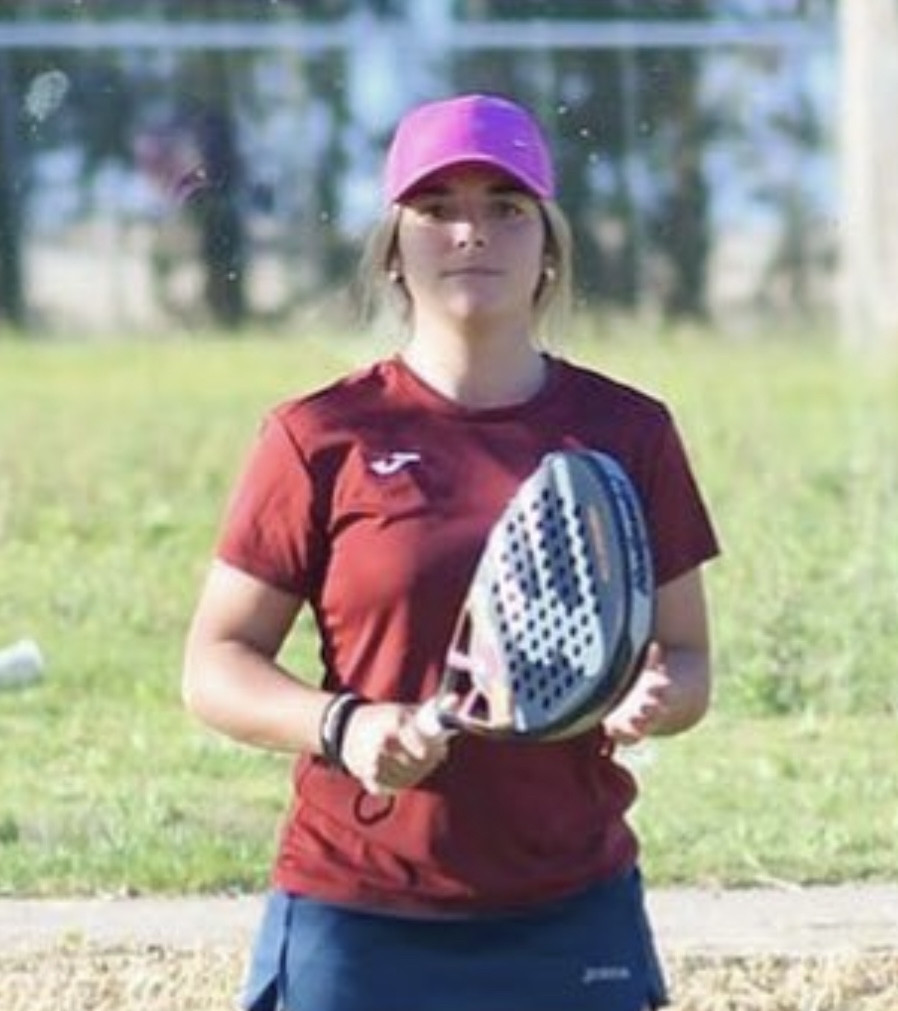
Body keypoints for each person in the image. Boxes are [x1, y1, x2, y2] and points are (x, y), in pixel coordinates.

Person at [182, 92, 720, 1011]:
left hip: (570, 907)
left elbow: (689, 658)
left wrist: (658, 698)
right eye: (437, 208)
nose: (471, 231)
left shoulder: (630, 431)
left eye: (505, 207)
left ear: (549, 246)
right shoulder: (320, 435)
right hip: (358, 913)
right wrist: (345, 727)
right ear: (395, 249)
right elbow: (214, 664)